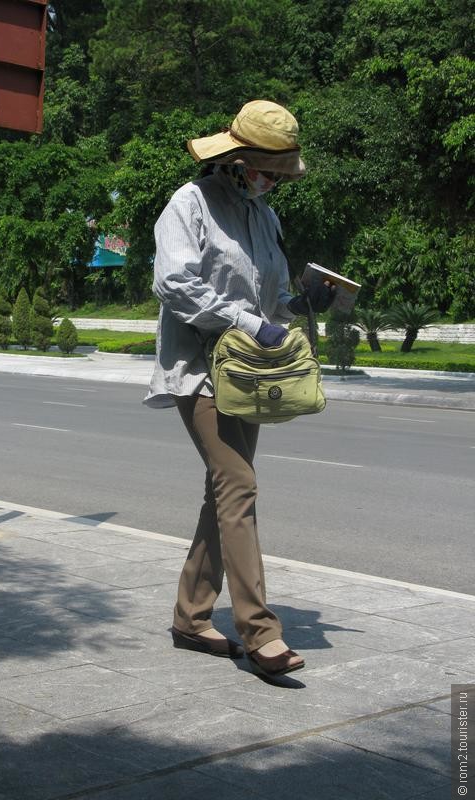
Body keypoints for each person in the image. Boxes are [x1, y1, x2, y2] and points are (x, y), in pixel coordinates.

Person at [143, 100, 334, 680]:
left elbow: (268, 296)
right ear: (236, 160)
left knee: (223, 493)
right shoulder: (190, 204)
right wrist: (250, 322)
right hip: (200, 370)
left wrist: (299, 305)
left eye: (280, 174)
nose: (274, 182)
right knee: (239, 484)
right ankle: (259, 632)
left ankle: (190, 615)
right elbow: (173, 283)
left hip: (251, 375)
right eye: (268, 171)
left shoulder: (264, 217)